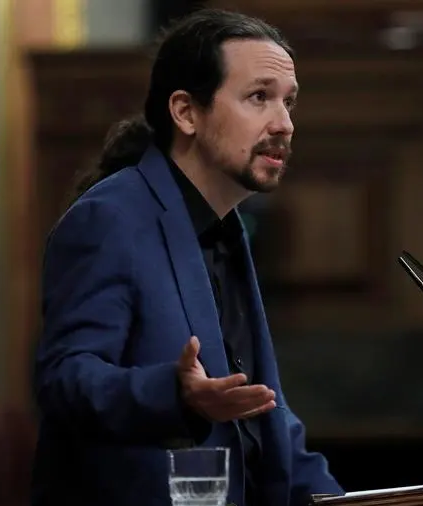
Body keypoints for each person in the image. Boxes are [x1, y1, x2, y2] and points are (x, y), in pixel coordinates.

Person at [31, 7, 344, 506]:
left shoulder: (228, 229)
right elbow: (65, 379)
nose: (284, 124)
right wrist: (176, 395)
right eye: (259, 97)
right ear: (186, 112)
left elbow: (263, 415)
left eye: (289, 102)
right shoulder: (111, 218)